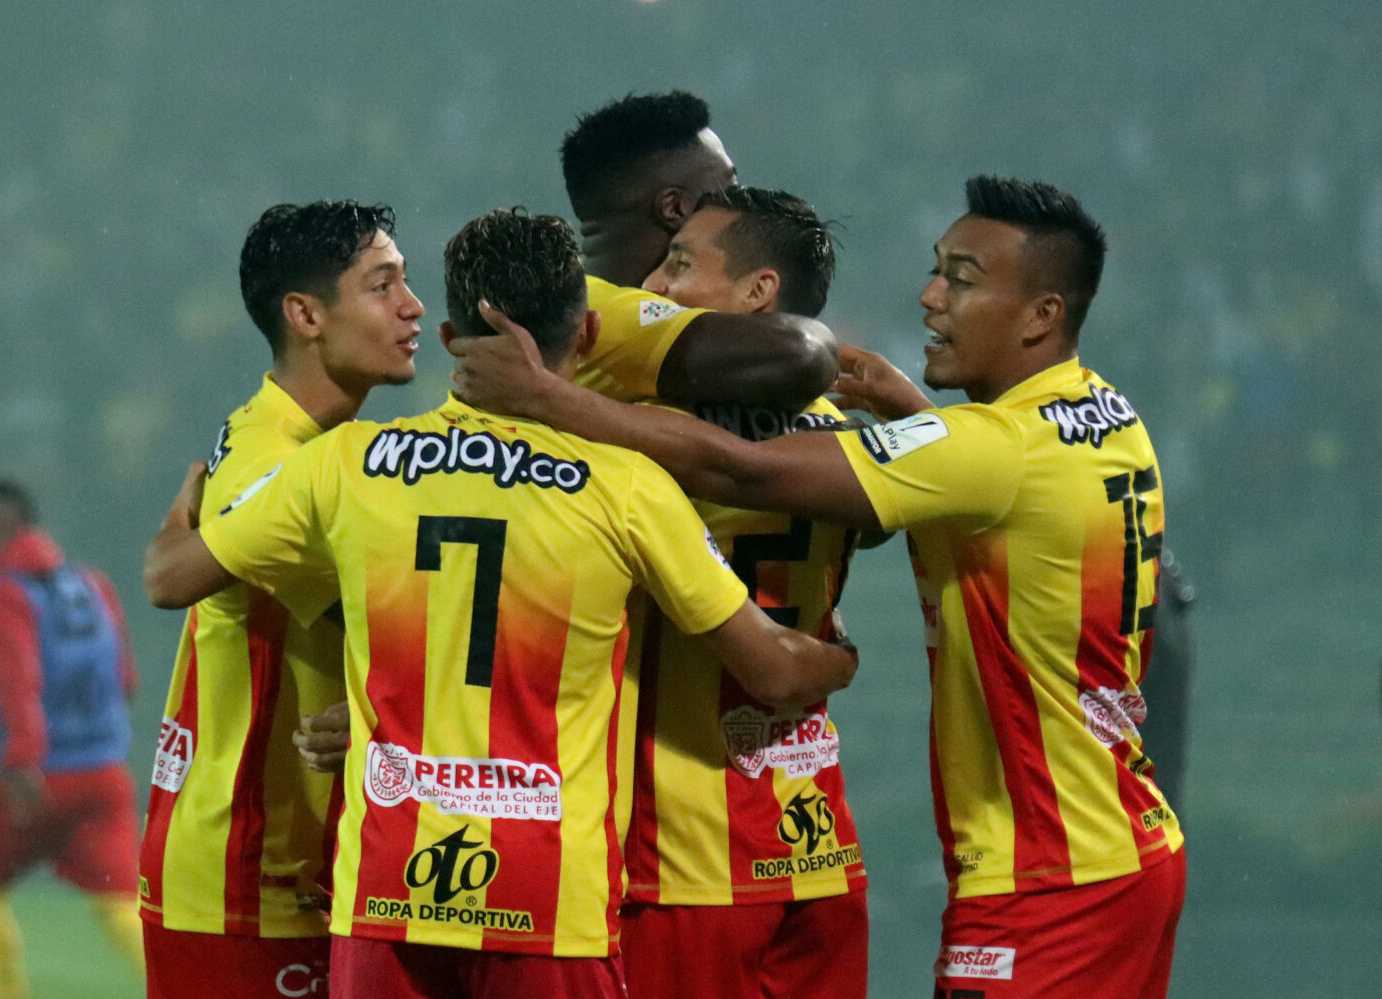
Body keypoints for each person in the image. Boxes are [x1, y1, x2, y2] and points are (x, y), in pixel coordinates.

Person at [453, 176, 1188, 998]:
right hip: (1112, 840)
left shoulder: (984, 450)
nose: (930, 296)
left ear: (1041, 314)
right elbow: (974, 488)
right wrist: (906, 407)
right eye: (937, 269)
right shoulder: (1104, 414)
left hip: (1037, 873)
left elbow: (744, 469)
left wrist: (545, 396)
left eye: (962, 279)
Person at [143, 208, 858, 999]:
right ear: (588, 332)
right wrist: (839, 656)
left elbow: (171, 578)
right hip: (547, 898)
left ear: (454, 339)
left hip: (386, 892)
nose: (409, 307)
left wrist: (181, 516)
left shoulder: (349, 463)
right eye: (384, 286)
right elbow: (775, 668)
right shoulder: (628, 485)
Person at [138, 200, 424, 998]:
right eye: (382, 285)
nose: (413, 306)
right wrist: (392, 711)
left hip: (285, 868)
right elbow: (408, 637)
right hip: (249, 878)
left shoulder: (283, 433)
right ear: (305, 315)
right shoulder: (283, 466)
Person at [621, 187, 869, 998]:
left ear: (759, 292)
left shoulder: (644, 433)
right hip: (818, 844)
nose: (653, 286)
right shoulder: (844, 439)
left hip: (685, 856)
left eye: (679, 264)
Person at [559, 90, 839, 412]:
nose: (741, 202)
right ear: (675, 207)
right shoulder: (593, 312)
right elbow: (801, 353)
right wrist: (838, 356)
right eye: (729, 187)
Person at [0, 479, 144, 997]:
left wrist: (21, 761)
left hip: (35, 777)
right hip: (104, 774)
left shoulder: (8, 593)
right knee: (125, 905)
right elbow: (126, 679)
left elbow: (18, 683)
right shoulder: (92, 583)